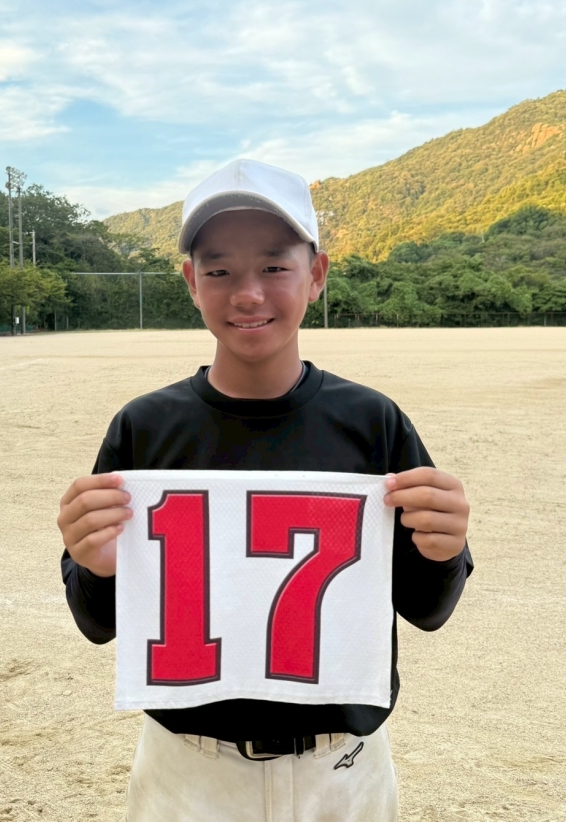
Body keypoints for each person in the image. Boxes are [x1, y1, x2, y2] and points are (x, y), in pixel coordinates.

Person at [57, 158, 473, 821]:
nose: (248, 294)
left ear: (317, 274)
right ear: (192, 282)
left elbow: (427, 609)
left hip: (342, 770)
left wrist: (443, 550)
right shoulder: (145, 428)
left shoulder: (372, 422)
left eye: (275, 266)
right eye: (219, 270)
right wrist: (97, 566)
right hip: (186, 772)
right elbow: (97, 623)